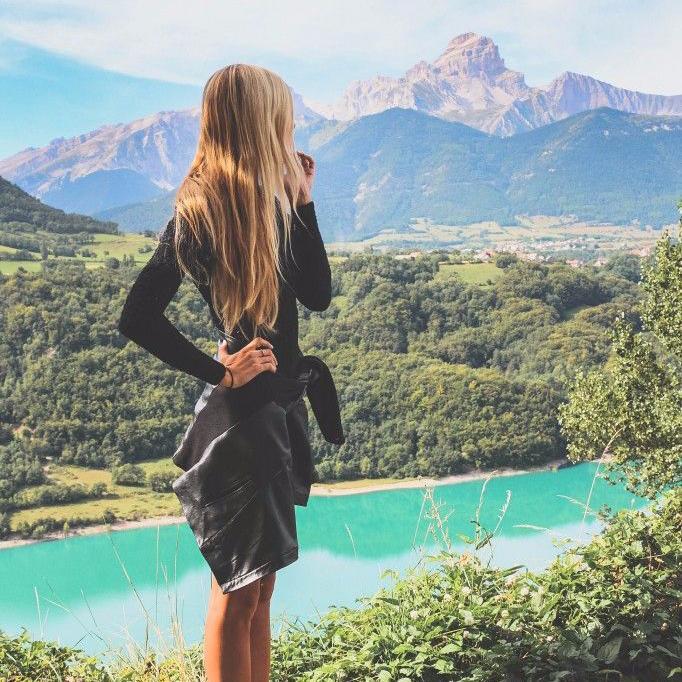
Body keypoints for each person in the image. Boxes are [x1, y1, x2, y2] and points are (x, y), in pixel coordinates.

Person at [117, 63, 338, 682]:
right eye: (280, 118)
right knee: (238, 590)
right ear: (256, 122)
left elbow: (317, 295)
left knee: (260, 588)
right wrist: (221, 373)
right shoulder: (200, 209)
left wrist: (304, 201)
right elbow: (137, 315)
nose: (288, 129)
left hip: (275, 410)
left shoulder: (272, 205)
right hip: (243, 418)